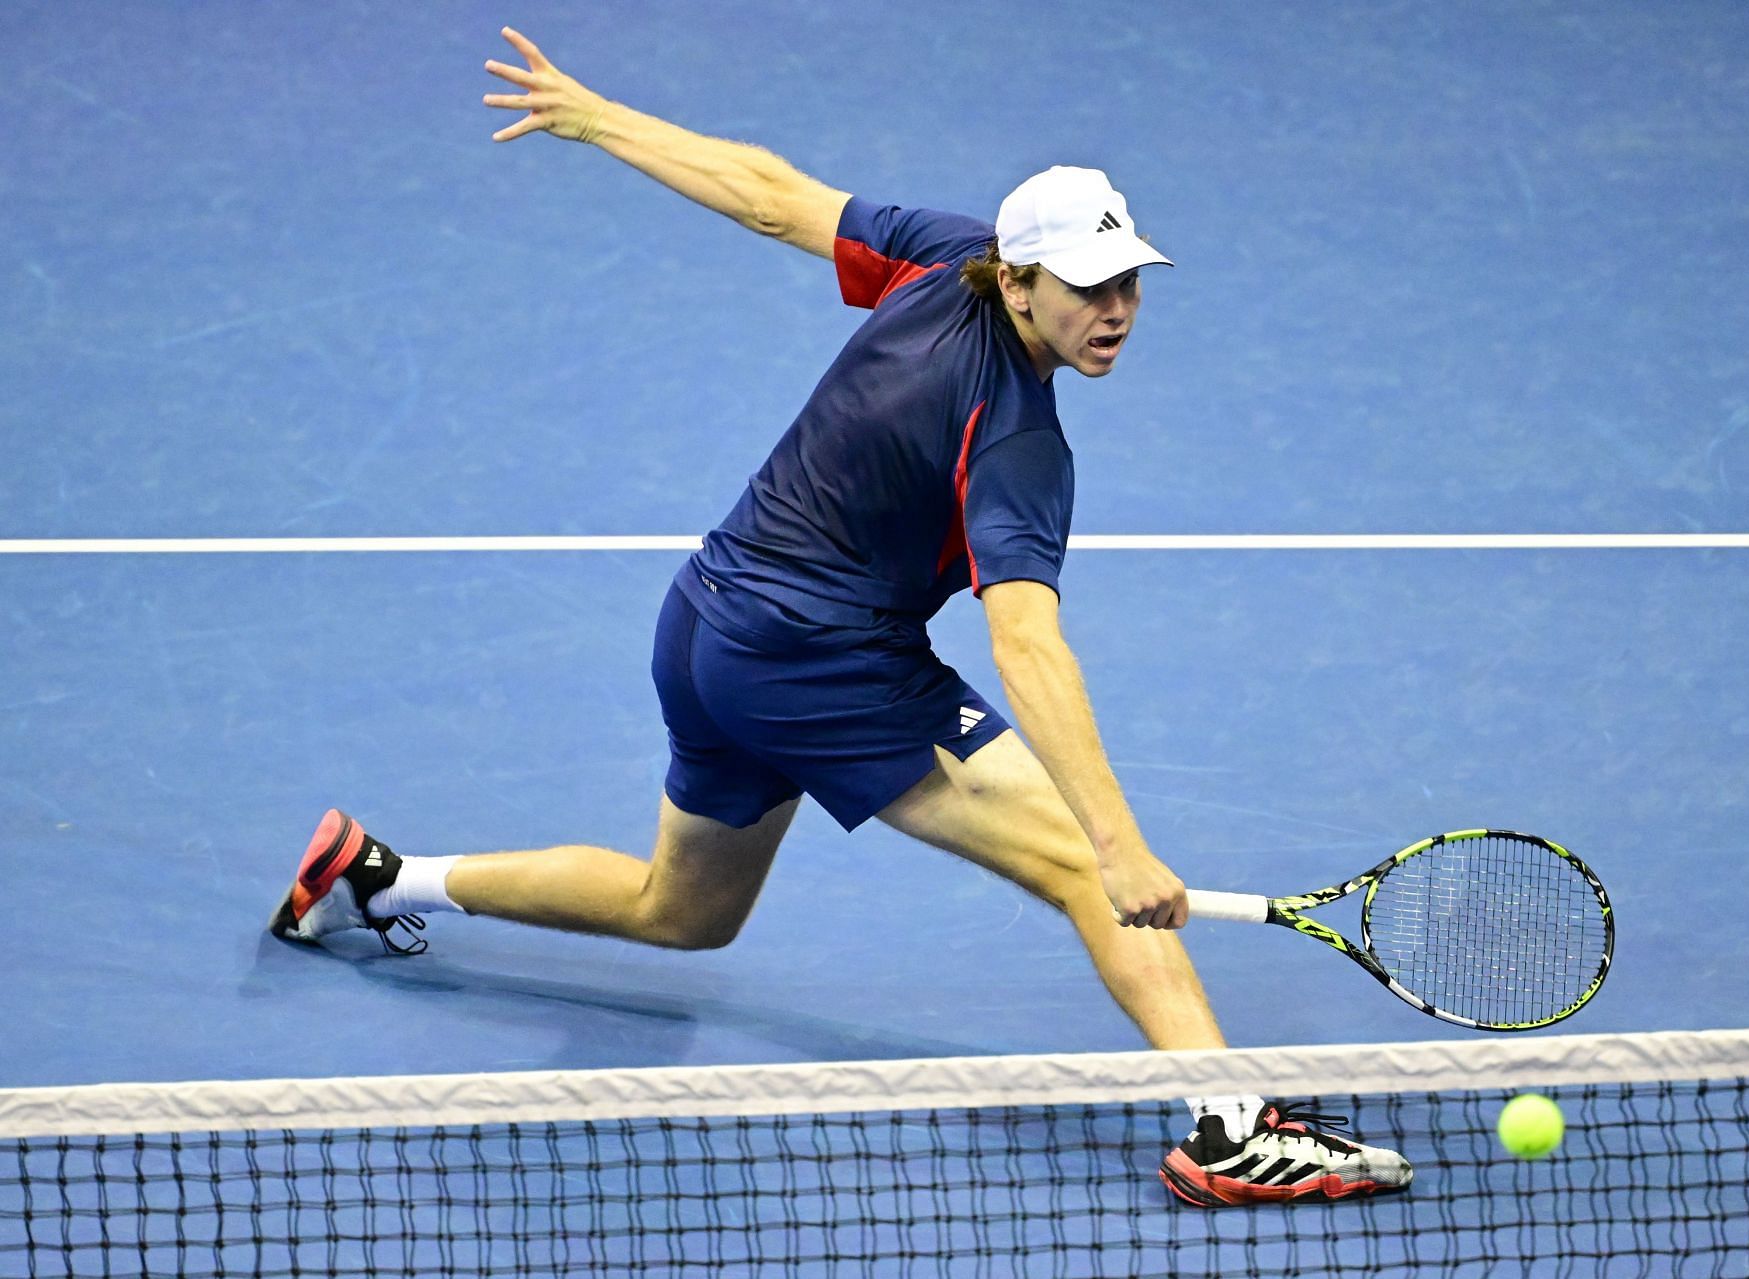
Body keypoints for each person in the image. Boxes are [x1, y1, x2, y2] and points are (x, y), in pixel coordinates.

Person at [268, 25, 1410, 1208]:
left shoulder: (945, 256)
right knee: (1077, 860)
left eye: (1127, 283)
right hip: (819, 663)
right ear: (1018, 282)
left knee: (684, 911)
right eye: (1086, 289)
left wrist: (594, 116)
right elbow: (1026, 639)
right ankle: (1228, 1128)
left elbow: (773, 198)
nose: (1114, 310)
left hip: (707, 625)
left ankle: (381, 877)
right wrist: (1120, 849)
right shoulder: (1017, 437)